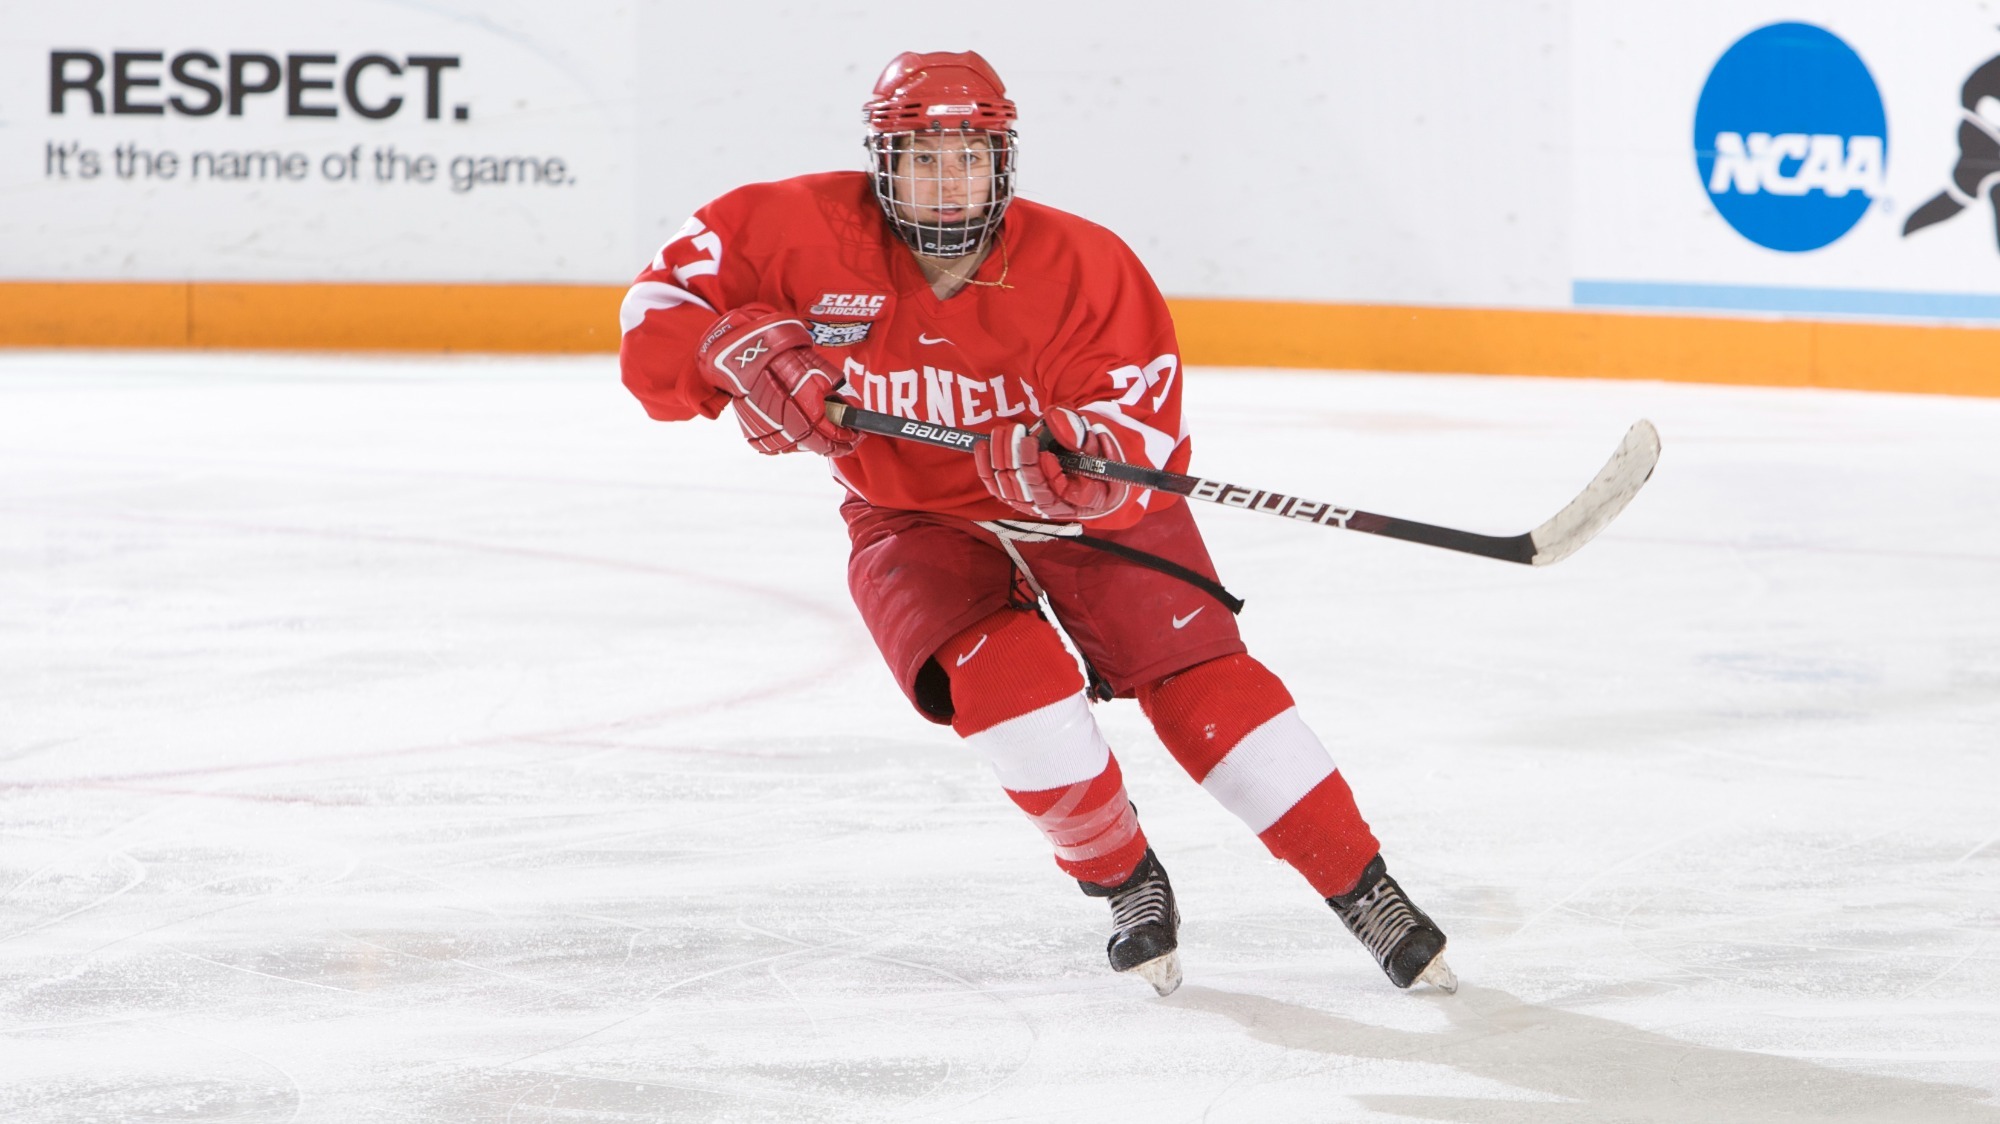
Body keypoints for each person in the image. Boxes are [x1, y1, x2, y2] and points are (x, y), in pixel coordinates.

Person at [617, 50, 1454, 998]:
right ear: (881, 161)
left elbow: (1145, 427)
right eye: (923, 158)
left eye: (969, 157)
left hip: (1086, 513)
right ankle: (1125, 881)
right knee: (1004, 681)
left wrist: (1086, 460)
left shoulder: (1085, 264)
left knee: (1197, 677)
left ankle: (1365, 890)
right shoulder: (787, 227)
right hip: (911, 511)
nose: (947, 182)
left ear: (1003, 162)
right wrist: (725, 351)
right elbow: (656, 309)